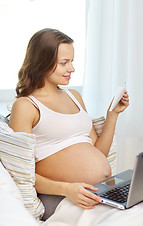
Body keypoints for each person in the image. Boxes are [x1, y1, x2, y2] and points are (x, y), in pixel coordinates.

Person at [9, 28, 129, 211]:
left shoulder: (74, 96)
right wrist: (68, 189)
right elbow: (22, 173)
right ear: (42, 63)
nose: (71, 69)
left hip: (96, 191)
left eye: (72, 62)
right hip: (61, 196)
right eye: (64, 63)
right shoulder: (26, 106)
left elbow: (98, 152)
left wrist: (112, 115)